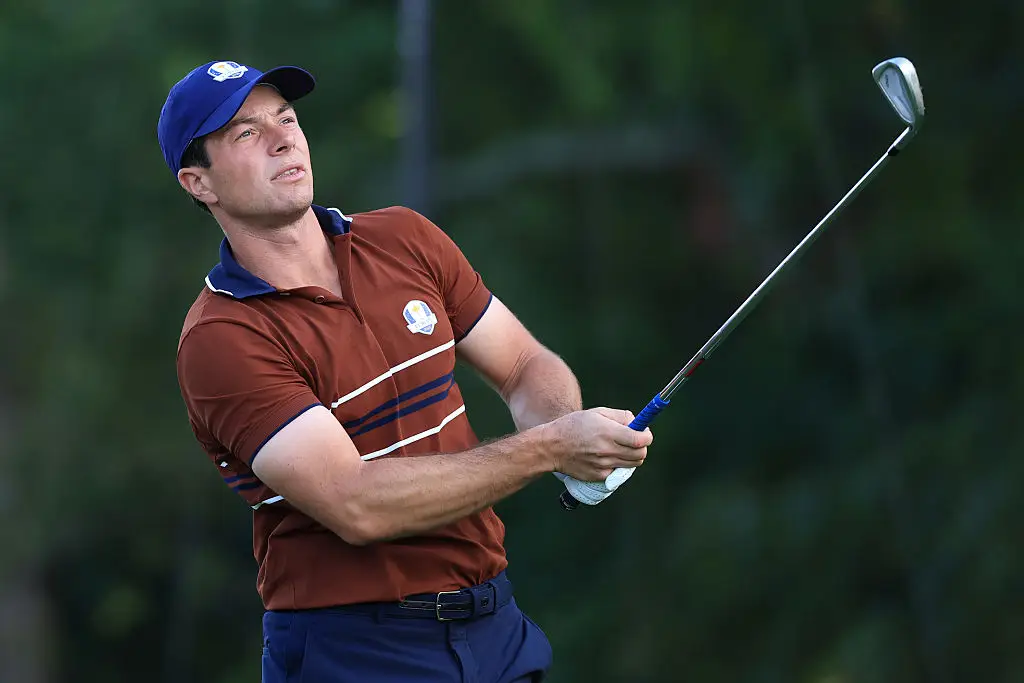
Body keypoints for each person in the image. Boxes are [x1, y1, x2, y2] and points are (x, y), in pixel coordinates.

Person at [160, 59, 653, 683]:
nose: (285, 138)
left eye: (285, 118)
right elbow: (357, 504)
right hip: (356, 649)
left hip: (495, 624)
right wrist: (552, 446)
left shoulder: (404, 239)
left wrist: (571, 431)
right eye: (246, 134)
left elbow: (524, 363)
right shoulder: (222, 338)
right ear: (198, 183)